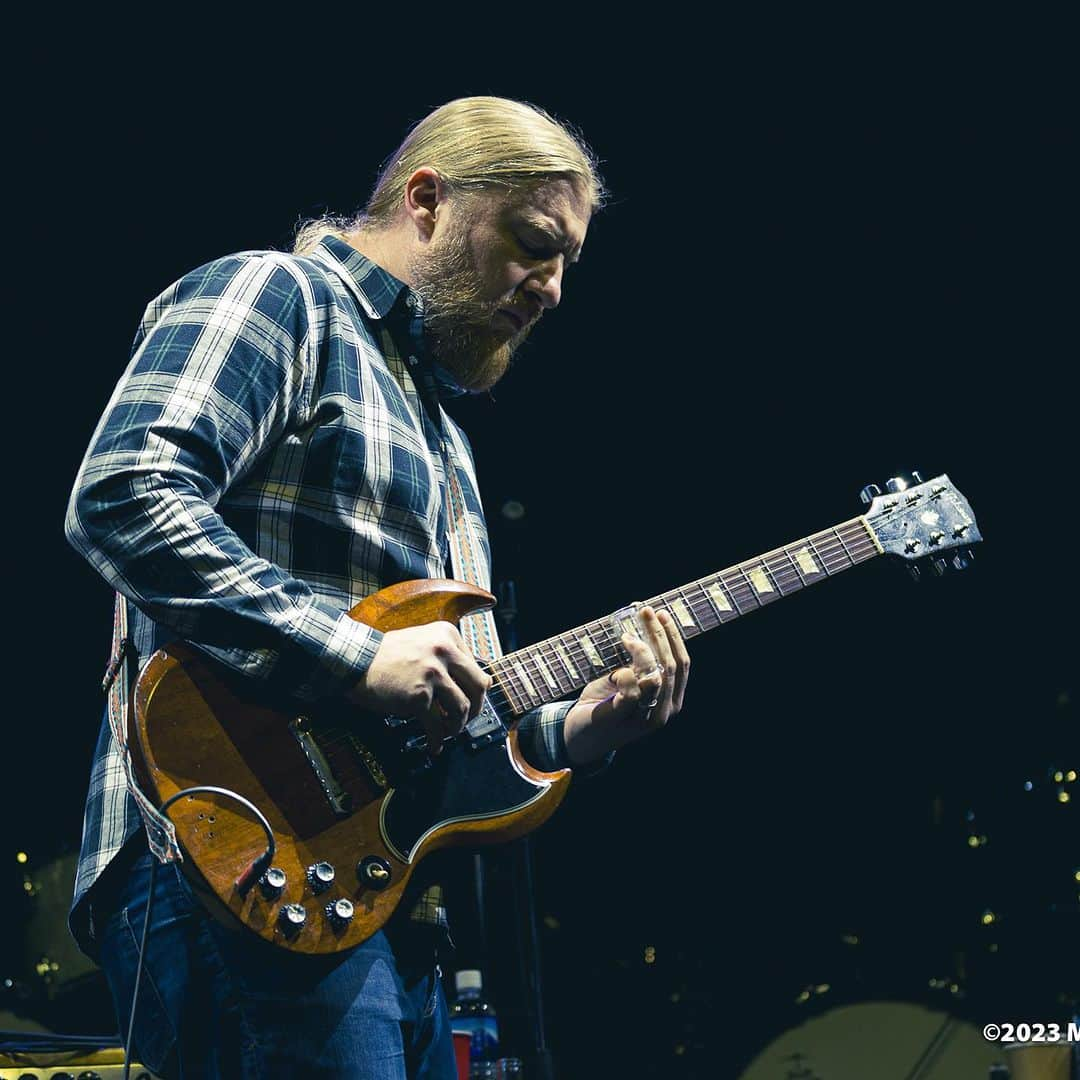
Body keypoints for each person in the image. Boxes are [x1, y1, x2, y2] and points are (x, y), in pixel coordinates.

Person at [64, 96, 691, 1078]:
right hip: (231, 863)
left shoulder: (445, 440)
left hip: (379, 905)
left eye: (570, 259)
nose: (555, 288)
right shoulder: (281, 297)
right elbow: (124, 494)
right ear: (429, 200)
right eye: (535, 242)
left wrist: (581, 729)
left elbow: (454, 710)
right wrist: (360, 653)